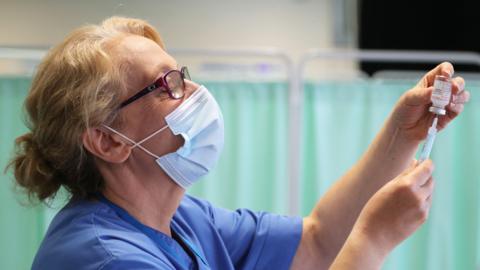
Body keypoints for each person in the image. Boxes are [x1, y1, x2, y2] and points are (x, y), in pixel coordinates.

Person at [7, 16, 470, 270]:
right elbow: (343, 242)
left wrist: (401, 135)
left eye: (182, 75)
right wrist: (373, 239)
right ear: (107, 141)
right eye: (165, 85)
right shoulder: (105, 260)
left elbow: (316, 241)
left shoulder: (182, 221)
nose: (194, 92)